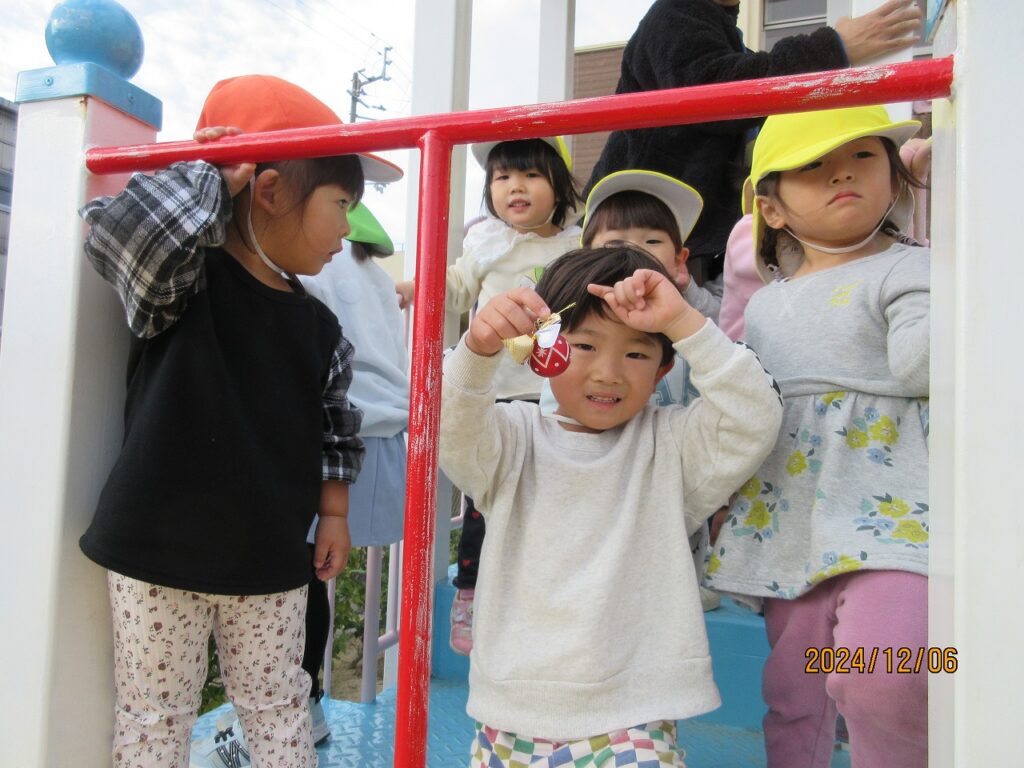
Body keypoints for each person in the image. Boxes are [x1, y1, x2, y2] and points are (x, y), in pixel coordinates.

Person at [77, 74, 402, 768]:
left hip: (270, 555)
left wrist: (334, 513)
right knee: (154, 715)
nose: (348, 228)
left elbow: (337, 428)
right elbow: (116, 233)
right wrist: (205, 173)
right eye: (341, 205)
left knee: (279, 705)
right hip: (155, 549)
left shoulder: (319, 325)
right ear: (271, 191)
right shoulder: (181, 282)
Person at [439, 245, 783, 766]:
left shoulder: (674, 446)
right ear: (542, 351)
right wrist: (477, 350)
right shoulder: (511, 440)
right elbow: (447, 426)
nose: (608, 372)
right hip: (513, 713)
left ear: (664, 368)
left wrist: (685, 322)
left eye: (637, 354)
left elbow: (755, 415)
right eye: (584, 345)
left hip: (633, 715)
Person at [703, 105, 930, 768]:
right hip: (792, 519)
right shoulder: (765, 305)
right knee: (795, 690)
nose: (841, 173)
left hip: (892, 513)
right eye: (813, 165)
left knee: (887, 671)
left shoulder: (914, 268)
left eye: (862, 155)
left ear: (894, 177)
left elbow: (922, 363)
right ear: (771, 210)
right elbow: (753, 407)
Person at [208, 203, 409, 751]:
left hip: (325, 437)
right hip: (383, 436)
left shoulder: (306, 265)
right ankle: (302, 703)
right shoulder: (375, 275)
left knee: (287, 583)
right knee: (306, 580)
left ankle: (291, 709)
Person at [397, 136, 583, 655]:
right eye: (502, 178)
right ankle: (470, 592)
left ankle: (544, 595)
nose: (514, 187)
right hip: (496, 395)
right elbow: (456, 286)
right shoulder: (485, 241)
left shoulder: (577, 245)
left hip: (554, 396)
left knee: (552, 497)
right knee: (486, 499)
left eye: (530, 175)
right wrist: (415, 287)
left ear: (560, 187)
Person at [586, 0, 923, 281]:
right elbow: (716, 91)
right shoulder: (675, 13)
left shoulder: (716, 28)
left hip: (680, 238)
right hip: (639, 231)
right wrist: (832, 48)